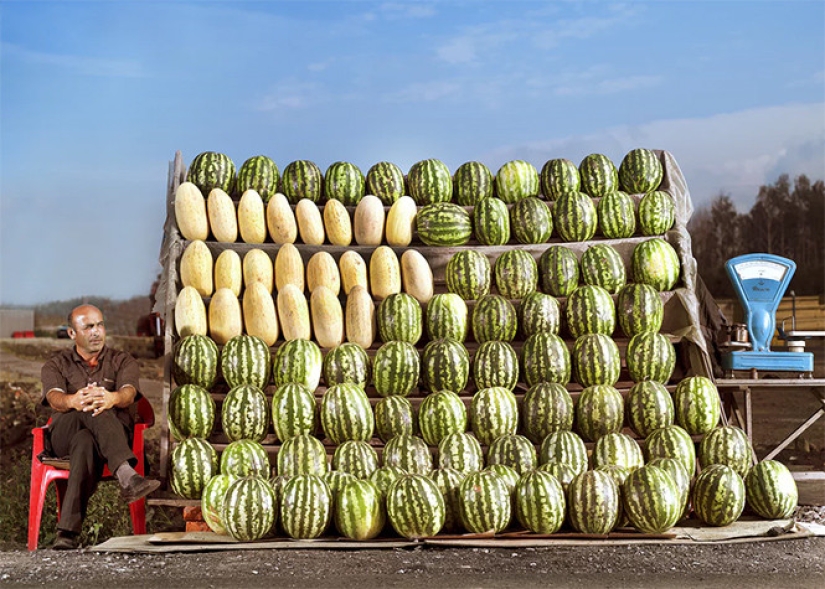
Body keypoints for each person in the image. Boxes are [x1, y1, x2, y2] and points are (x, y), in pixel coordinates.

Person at [40, 304, 160, 550]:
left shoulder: (122, 360)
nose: (96, 332)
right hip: (65, 433)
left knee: (85, 440)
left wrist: (112, 398)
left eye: (100, 325)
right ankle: (126, 474)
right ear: (72, 333)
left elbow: (129, 393)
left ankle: (66, 534)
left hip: (109, 438)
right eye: (88, 327)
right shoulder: (56, 364)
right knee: (90, 405)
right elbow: (54, 398)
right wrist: (73, 401)